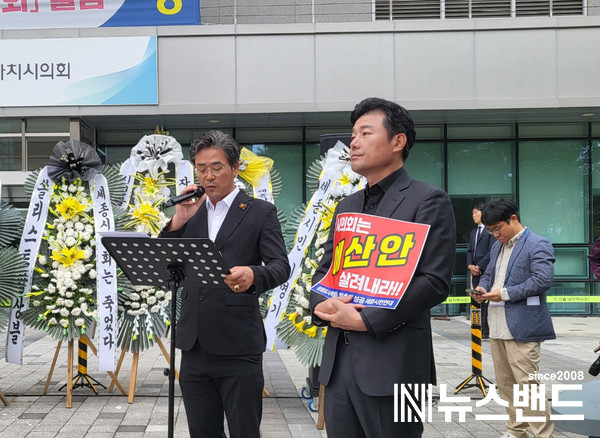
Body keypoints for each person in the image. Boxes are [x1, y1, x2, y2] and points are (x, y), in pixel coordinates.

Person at [309, 97, 456, 437]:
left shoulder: (427, 199)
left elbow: (434, 281)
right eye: (352, 134)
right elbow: (325, 272)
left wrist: (365, 320)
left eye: (365, 132)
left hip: (396, 364)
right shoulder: (347, 205)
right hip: (338, 367)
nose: (353, 142)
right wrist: (323, 304)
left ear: (397, 141)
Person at [159, 130, 290, 438]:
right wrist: (178, 221)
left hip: (237, 346)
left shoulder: (260, 212)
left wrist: (254, 275)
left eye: (216, 167)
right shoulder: (190, 211)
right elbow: (167, 264)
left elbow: (281, 266)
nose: (209, 175)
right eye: (201, 168)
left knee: (245, 431)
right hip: (193, 344)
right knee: (202, 432)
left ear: (235, 167)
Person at [470, 198, 556, 438]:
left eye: (498, 229)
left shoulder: (537, 243)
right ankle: (516, 431)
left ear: (514, 219)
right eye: (490, 231)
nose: (495, 235)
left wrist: (504, 293)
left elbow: (542, 280)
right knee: (506, 386)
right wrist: (481, 289)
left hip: (523, 326)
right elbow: (488, 275)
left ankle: (543, 434)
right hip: (496, 324)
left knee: (528, 386)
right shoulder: (498, 246)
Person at [467, 202, 494, 338]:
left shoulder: (490, 231)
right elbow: (470, 251)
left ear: (482, 213)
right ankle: (479, 328)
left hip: (486, 271)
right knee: (477, 300)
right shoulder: (473, 232)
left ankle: (486, 330)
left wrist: (480, 266)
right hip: (475, 272)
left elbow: (491, 251)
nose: (473, 216)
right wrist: (470, 265)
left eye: (475, 213)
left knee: (486, 302)